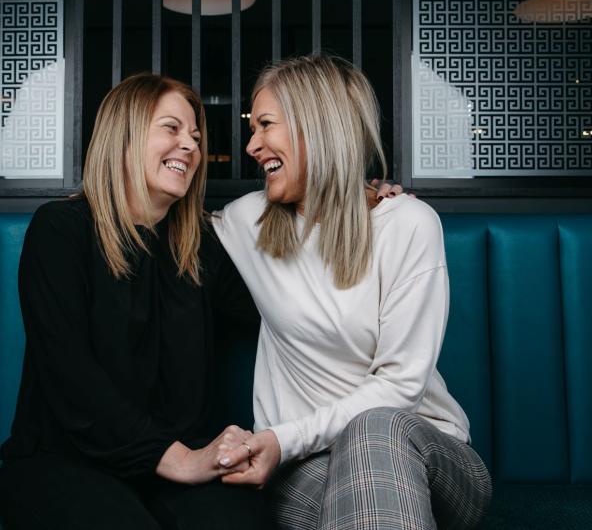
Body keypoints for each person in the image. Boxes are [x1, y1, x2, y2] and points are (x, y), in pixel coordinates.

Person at [211, 55, 492, 530]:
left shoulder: (406, 224)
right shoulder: (246, 221)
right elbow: (153, 222)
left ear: (317, 125)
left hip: (431, 457)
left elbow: (401, 388)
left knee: (375, 427)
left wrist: (282, 437)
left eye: (265, 125)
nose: (251, 145)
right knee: (357, 500)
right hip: (306, 469)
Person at [0, 73, 270, 530]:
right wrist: (175, 458)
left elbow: (280, 314)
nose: (190, 146)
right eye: (171, 128)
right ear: (124, 137)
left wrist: (358, 203)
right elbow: (70, 375)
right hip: (64, 462)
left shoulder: (201, 246)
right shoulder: (61, 229)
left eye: (196, 137)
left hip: (180, 465)